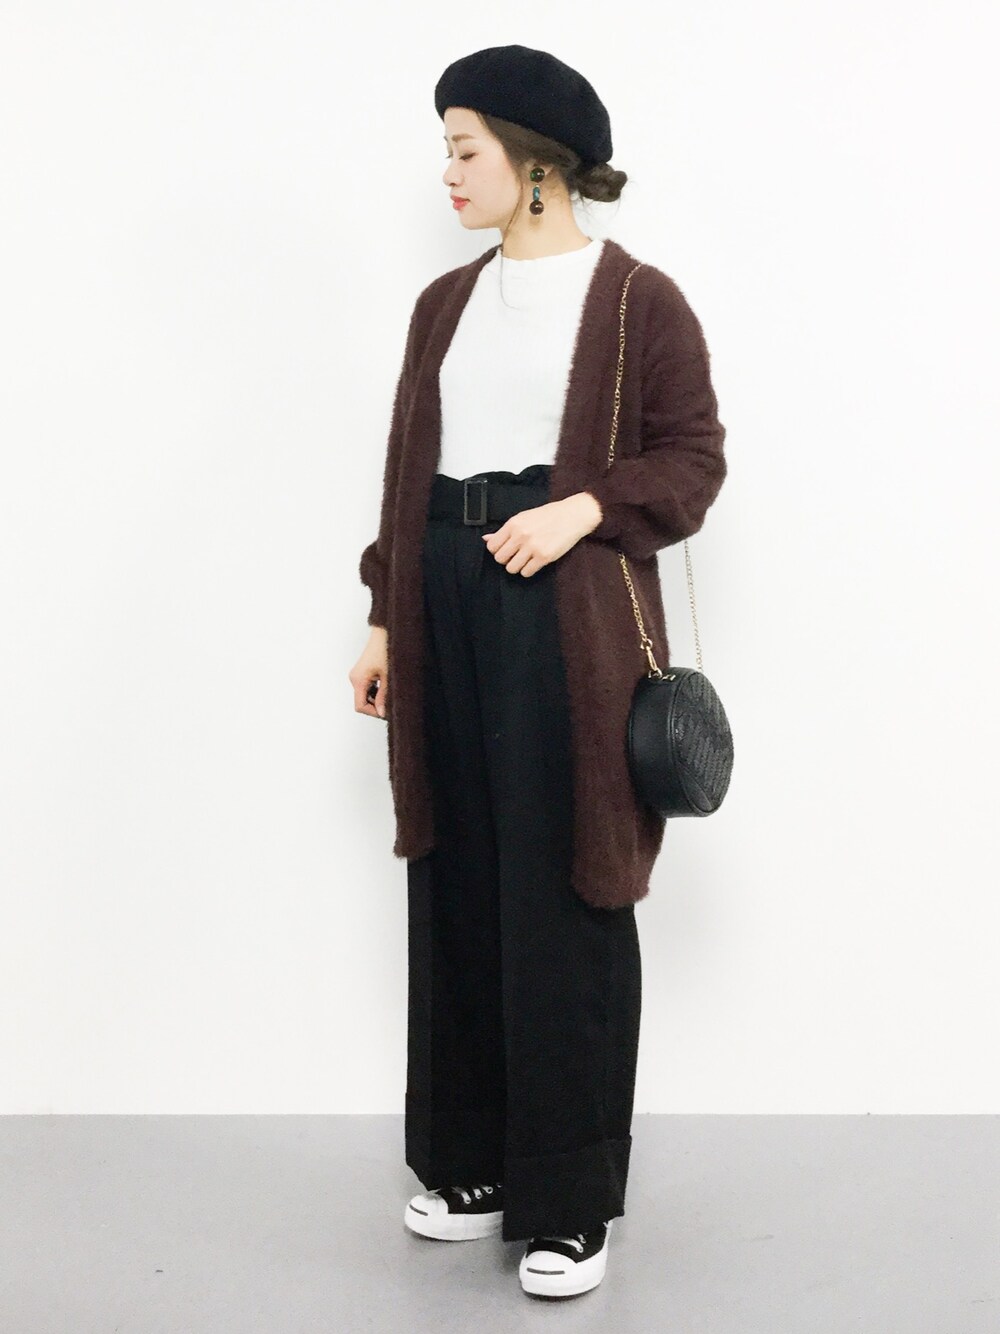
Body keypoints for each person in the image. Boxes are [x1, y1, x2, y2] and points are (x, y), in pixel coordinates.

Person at [348, 44, 727, 1300]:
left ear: (537, 163)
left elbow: (691, 460)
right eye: (447, 149)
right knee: (456, 874)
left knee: (567, 887)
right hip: (443, 600)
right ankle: (473, 1167)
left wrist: (583, 508)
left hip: (567, 618)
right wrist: (385, 615)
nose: (448, 172)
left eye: (465, 148)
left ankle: (567, 1200)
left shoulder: (636, 301)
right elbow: (409, 467)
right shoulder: (442, 305)